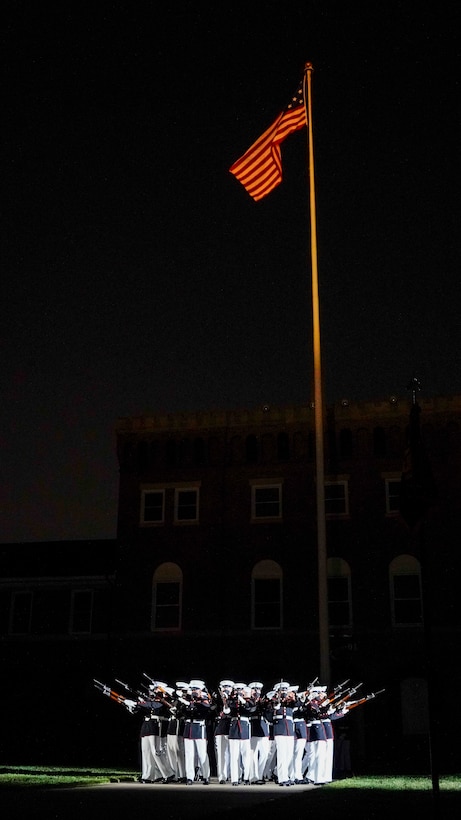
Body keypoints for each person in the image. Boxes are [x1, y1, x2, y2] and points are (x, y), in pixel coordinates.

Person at [183, 679, 211, 785]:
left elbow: (206, 708)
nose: (194, 691)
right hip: (189, 727)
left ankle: (206, 775)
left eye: (196, 689)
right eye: (193, 689)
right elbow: (182, 711)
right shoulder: (187, 699)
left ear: (200, 690)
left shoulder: (204, 699)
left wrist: (194, 704)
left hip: (199, 727)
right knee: (189, 754)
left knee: (202, 753)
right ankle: (189, 777)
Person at [227, 683, 256, 786]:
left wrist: (241, 699)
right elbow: (227, 710)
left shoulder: (249, 700)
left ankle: (246, 777)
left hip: (244, 727)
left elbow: (250, 708)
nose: (238, 692)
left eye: (240, 690)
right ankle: (235, 779)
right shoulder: (232, 701)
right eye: (237, 690)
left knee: (246, 755)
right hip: (234, 728)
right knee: (234, 756)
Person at [269, 681, 296, 786]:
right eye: (282, 690)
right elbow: (269, 714)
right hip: (280, 728)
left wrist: (294, 697)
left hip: (289, 728)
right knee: (282, 754)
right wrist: (275, 705)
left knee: (289, 754)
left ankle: (280, 773)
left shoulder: (289, 701)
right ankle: (282, 778)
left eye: (285, 690)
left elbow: (297, 704)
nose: (284, 692)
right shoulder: (273, 700)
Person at [248, 681, 270, 784]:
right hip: (253, 727)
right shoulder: (248, 701)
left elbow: (268, 715)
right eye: (254, 689)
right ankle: (254, 777)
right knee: (253, 754)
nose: (256, 692)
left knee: (265, 753)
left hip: (263, 728)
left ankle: (260, 775)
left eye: (258, 690)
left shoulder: (263, 702)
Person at [213, 679, 234, 783]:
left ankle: (234, 775)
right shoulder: (217, 700)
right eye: (224, 687)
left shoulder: (235, 700)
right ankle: (222, 776)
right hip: (221, 728)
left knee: (234, 754)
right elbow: (214, 711)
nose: (226, 689)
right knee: (221, 754)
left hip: (233, 729)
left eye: (228, 687)